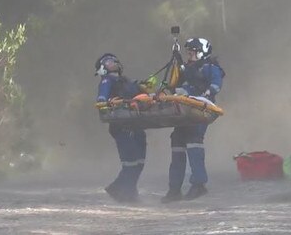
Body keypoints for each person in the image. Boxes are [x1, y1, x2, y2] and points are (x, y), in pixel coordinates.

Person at [161, 38, 225, 203]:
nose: (189, 54)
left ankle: (199, 184)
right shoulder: (185, 69)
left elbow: (216, 84)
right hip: (183, 110)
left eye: (193, 51)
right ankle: (174, 190)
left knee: (194, 141)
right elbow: (177, 84)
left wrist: (208, 92)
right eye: (188, 51)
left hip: (199, 110)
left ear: (202, 51)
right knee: (177, 144)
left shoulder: (210, 67)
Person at [95, 53, 147, 203]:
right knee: (130, 163)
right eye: (109, 61)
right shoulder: (107, 81)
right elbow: (102, 99)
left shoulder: (127, 82)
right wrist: (107, 104)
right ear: (103, 68)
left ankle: (128, 191)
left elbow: (141, 95)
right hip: (122, 126)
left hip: (136, 125)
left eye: (115, 60)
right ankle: (121, 191)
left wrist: (145, 88)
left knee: (139, 163)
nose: (114, 63)